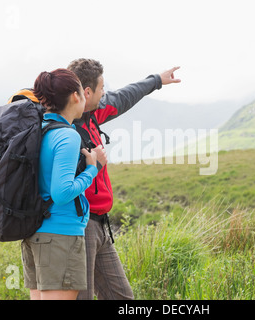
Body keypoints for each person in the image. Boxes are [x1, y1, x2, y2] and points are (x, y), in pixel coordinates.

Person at [67, 58, 181, 300]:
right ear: (86, 93)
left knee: (122, 298)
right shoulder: (64, 129)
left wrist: (157, 80)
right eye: (101, 88)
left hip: (100, 223)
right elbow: (61, 187)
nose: (105, 92)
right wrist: (94, 165)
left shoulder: (93, 113)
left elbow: (122, 97)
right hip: (79, 224)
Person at [20, 68, 108, 300]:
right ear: (76, 96)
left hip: (36, 234)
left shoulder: (38, 129)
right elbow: (62, 193)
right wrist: (92, 169)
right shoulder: (68, 136)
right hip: (60, 236)